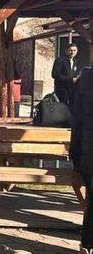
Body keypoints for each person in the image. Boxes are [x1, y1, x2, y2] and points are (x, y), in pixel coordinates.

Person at [71, 66, 93, 254]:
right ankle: (87, 243)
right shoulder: (86, 79)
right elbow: (76, 121)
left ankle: (87, 243)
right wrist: (75, 156)